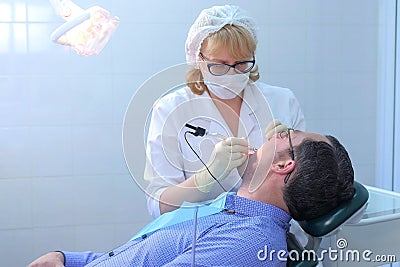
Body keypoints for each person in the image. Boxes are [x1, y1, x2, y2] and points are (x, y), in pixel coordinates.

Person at [28, 130, 354, 267]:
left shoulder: (247, 243)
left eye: (286, 134)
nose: (273, 133)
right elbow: (141, 257)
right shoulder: (232, 214)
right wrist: (67, 259)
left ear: (283, 165)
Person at [145, 5, 306, 218]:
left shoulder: (282, 101)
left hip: (269, 228)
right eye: (219, 65)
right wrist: (205, 177)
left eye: (241, 64)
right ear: (198, 58)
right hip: (199, 235)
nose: (231, 73)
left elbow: (306, 188)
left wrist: (293, 150)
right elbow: (159, 207)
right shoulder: (169, 110)